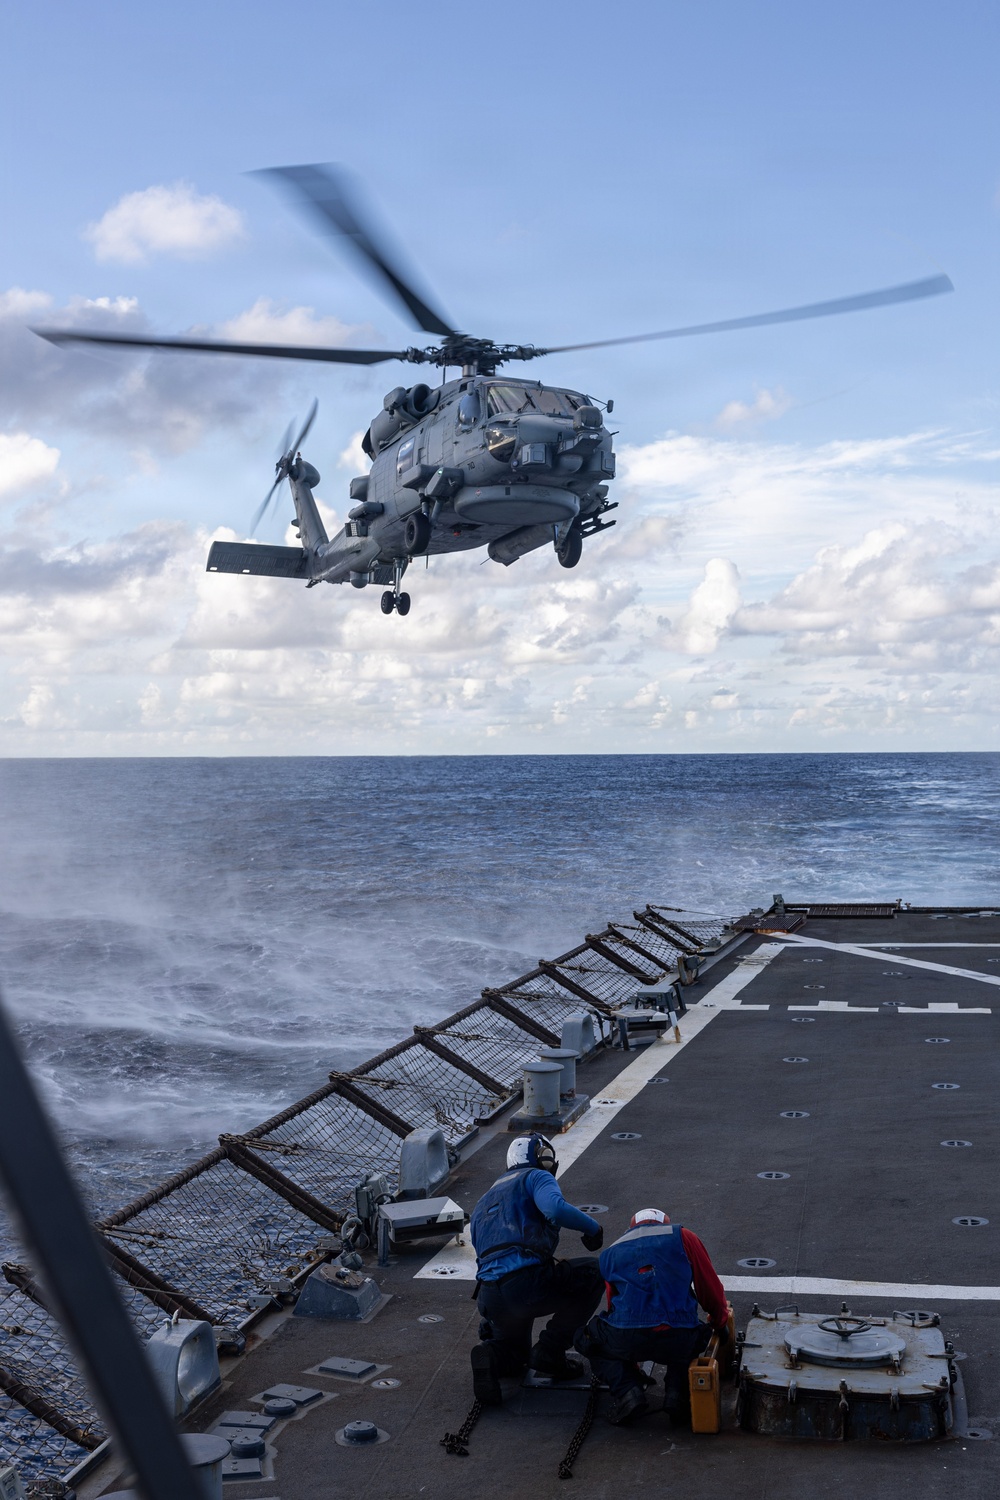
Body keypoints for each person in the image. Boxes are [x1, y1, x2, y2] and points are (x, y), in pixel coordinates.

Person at [468, 1133, 605, 1405]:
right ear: (543, 1158)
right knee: (594, 1273)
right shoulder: (536, 1177)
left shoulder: (485, 1199)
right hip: (525, 1286)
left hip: (490, 1296)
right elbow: (554, 1207)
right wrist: (593, 1228)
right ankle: (551, 1350)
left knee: (515, 1357)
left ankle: (491, 1355)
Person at [576, 1207, 729, 1426]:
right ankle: (677, 1394)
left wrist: (631, 1361)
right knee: (689, 1329)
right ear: (664, 1223)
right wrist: (719, 1321)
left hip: (629, 1339)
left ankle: (627, 1391)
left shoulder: (611, 1252)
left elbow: (614, 1308)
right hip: (679, 1338)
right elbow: (709, 1287)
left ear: (632, 1228)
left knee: (588, 1338)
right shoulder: (683, 1236)